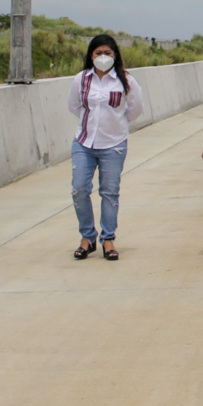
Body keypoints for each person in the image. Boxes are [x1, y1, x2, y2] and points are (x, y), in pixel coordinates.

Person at [68, 32, 143, 261]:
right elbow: (74, 106)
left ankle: (108, 239)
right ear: (91, 55)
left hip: (113, 145)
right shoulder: (82, 79)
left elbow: (135, 109)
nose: (103, 57)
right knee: (80, 189)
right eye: (98, 52)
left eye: (107, 53)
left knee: (109, 193)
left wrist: (115, 124)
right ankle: (87, 237)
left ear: (115, 55)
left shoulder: (126, 80)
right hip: (84, 143)